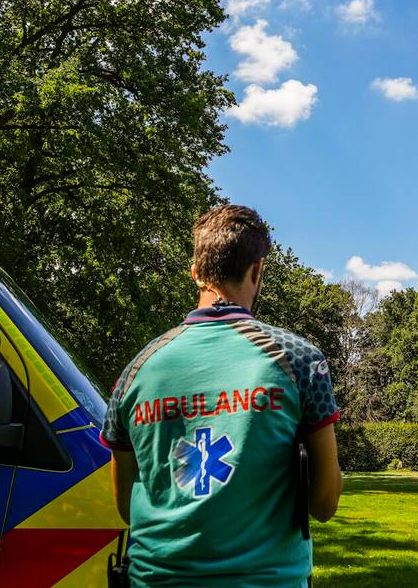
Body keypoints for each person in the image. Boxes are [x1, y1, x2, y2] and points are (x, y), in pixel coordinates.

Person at [102, 205, 343, 587]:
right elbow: (325, 503)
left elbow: (126, 507)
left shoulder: (138, 369)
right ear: (257, 269)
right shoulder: (298, 360)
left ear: (195, 272)